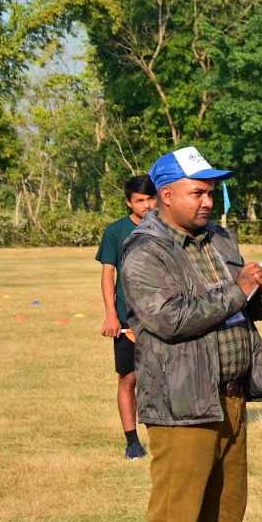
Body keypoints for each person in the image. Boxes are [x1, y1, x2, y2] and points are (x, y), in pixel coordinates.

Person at [122, 146, 262, 522]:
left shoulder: (218, 239)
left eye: (211, 190)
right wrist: (238, 290)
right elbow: (169, 317)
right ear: (164, 196)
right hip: (182, 399)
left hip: (231, 393)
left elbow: (247, 307)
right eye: (197, 191)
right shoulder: (144, 250)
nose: (208, 200)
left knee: (224, 506)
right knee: (177, 514)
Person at [95, 172, 159, 459]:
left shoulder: (166, 227)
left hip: (161, 315)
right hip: (127, 318)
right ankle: (132, 441)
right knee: (128, 378)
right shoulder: (116, 232)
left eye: (150, 199)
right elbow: (108, 274)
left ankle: (165, 435)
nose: (146, 206)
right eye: (140, 201)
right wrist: (111, 315)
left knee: (163, 377)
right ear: (128, 203)